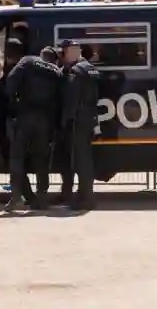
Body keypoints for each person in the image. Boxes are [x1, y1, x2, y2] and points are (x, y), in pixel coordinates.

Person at [4, 45, 64, 211]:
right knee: (41, 160)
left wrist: (14, 103)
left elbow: (11, 81)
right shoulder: (57, 72)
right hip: (45, 121)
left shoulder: (28, 61)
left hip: (24, 116)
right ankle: (41, 198)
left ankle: (16, 196)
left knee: (17, 158)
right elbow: (61, 99)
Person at [58, 38, 99, 210]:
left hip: (77, 120)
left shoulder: (75, 71)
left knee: (80, 160)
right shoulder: (90, 68)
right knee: (85, 159)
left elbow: (71, 99)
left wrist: (63, 120)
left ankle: (85, 198)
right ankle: (85, 195)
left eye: (63, 53)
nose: (61, 57)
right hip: (89, 118)